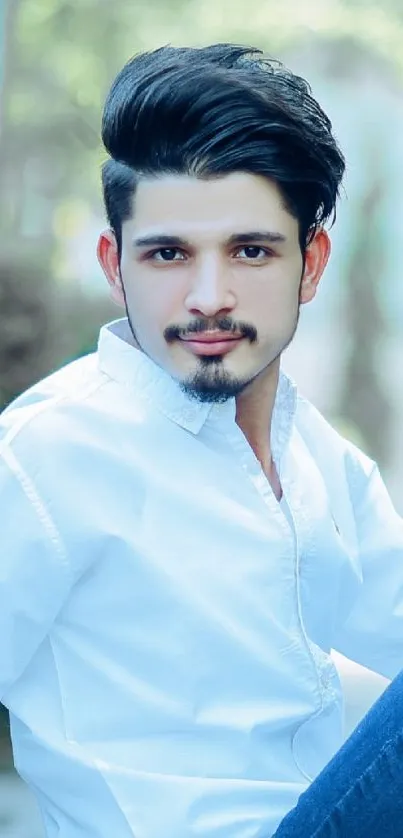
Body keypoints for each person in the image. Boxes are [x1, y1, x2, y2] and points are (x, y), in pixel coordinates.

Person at [0, 43, 402, 838]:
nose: (208, 298)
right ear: (116, 267)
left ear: (310, 263)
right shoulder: (48, 454)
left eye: (249, 251)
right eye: (168, 255)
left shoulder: (320, 459)